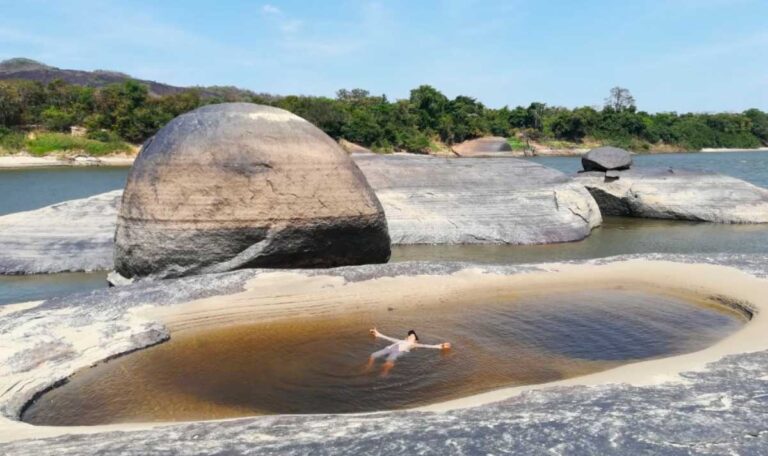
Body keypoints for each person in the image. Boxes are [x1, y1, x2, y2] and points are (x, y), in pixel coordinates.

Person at [367, 328, 451, 376]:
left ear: (415, 341)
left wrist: (440, 346)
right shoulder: (400, 340)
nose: (411, 337)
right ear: (406, 338)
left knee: (389, 363)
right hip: (389, 348)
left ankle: (385, 372)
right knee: (373, 355)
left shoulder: (413, 344)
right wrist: (378, 334)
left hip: (398, 351)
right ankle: (368, 367)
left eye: (413, 337)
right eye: (410, 336)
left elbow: (426, 346)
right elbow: (388, 338)